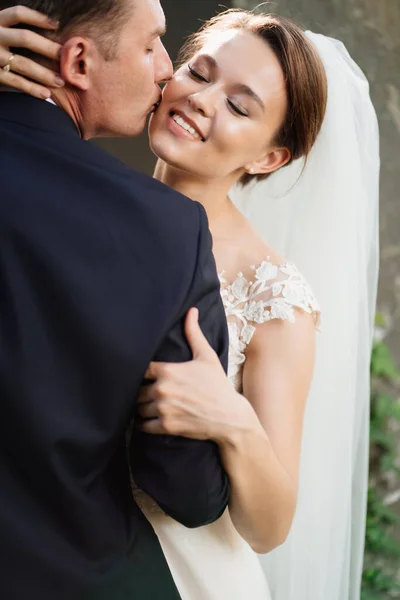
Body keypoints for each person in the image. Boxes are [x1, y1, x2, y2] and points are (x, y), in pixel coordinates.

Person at [0, 6, 380, 600]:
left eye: (239, 105)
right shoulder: (79, 204)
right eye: (199, 73)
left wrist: (231, 421)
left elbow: (272, 526)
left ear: (268, 158)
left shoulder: (275, 298)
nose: (203, 100)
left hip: (176, 568)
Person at [0, 2, 231, 600]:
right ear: (78, 61)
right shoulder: (170, 231)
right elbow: (187, 489)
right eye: (152, 43)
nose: (165, 70)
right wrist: (226, 417)